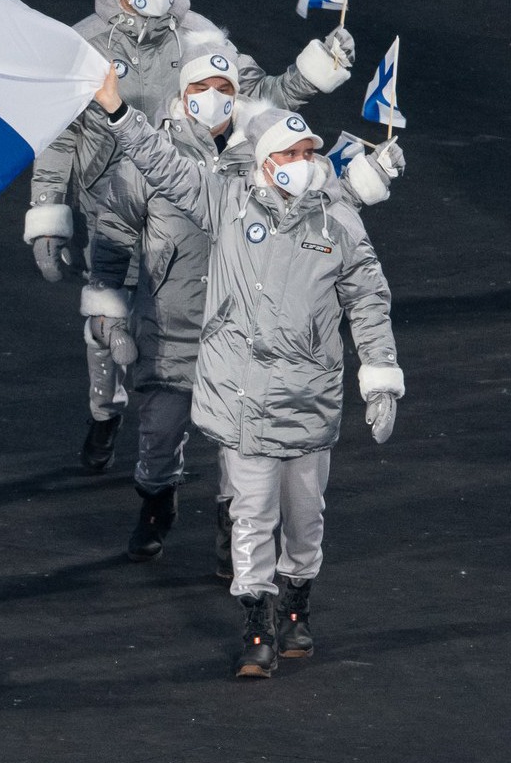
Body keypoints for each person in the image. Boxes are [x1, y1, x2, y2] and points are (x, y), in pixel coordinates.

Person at [91, 68, 404, 678]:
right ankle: (258, 626)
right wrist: (116, 110)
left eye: (309, 152)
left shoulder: (337, 221)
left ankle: (297, 611)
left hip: (309, 403)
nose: (303, 161)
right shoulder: (226, 204)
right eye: (289, 152)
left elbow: (369, 298)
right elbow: (163, 164)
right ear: (263, 162)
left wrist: (381, 372)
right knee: (252, 517)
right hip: (242, 403)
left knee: (305, 519)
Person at [26, 0, 356, 473]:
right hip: (109, 204)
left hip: (181, 208)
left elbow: (261, 99)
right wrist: (47, 214)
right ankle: (104, 409)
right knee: (107, 319)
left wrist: (315, 71)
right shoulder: (86, 46)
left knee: (162, 324)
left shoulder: (201, 36)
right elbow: (59, 136)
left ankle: (172, 428)